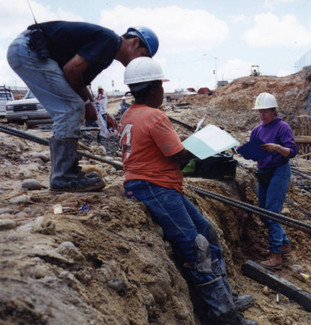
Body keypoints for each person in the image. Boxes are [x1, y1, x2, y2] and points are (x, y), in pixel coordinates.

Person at [119, 57, 257, 325]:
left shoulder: (130, 114)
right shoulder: (155, 116)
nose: (163, 91)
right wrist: (207, 143)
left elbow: (158, 146)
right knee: (197, 248)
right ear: (152, 88)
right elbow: (181, 159)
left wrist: (183, 143)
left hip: (154, 186)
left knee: (207, 232)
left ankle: (225, 298)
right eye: (160, 85)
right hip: (154, 188)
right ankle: (224, 316)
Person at [7, 21, 158, 192]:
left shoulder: (108, 49)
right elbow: (71, 70)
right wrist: (87, 105)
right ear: (135, 42)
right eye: (143, 55)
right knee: (70, 108)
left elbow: (80, 82)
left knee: (72, 106)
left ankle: (65, 173)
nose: (139, 62)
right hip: (28, 50)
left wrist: (99, 112)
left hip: (28, 49)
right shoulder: (109, 42)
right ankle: (64, 176)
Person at [249, 92, 298, 269]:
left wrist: (277, 148)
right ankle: (284, 243)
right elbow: (253, 151)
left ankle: (276, 255)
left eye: (265, 112)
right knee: (264, 212)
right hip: (264, 171)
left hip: (279, 170)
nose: (262, 115)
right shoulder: (257, 130)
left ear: (274, 111)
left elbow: (292, 151)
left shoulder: (282, 127)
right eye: (260, 112)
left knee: (272, 211)